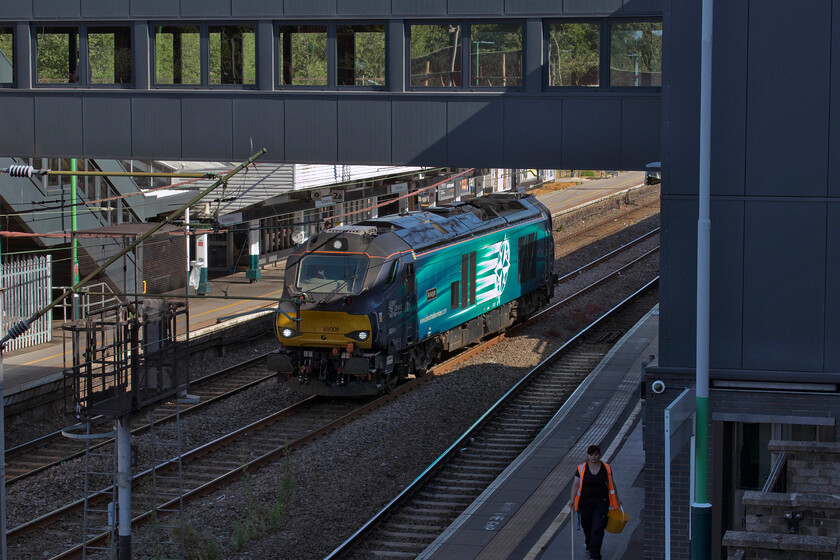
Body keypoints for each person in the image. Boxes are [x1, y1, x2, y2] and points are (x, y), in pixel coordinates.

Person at [569, 445, 621, 560]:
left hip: (601, 502)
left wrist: (617, 498)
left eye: (596, 454)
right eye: (591, 454)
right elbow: (575, 484)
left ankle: (595, 555)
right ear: (587, 455)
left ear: (600, 455)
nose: (594, 457)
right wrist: (572, 499)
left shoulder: (606, 468)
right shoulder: (581, 468)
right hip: (585, 502)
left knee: (598, 527)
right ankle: (589, 543)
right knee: (587, 526)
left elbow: (611, 483)